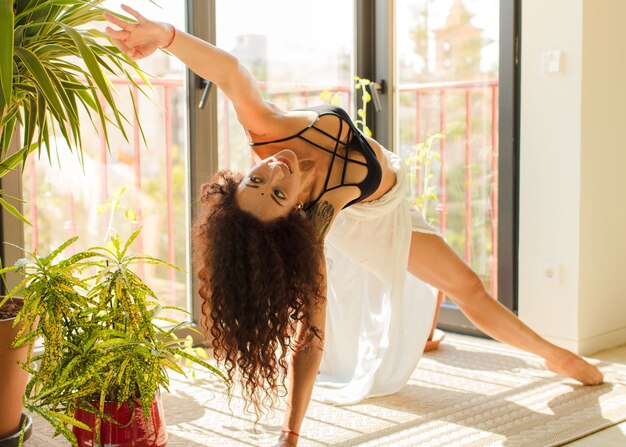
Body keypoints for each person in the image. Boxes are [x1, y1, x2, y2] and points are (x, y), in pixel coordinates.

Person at [104, 6, 604, 447]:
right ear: (290, 217)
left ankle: (434, 331)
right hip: (374, 220)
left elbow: (230, 71)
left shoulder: (265, 130)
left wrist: (166, 34)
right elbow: (310, 336)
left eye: (257, 178)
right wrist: (291, 432)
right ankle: (554, 355)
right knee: (467, 286)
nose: (276, 169)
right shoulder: (317, 218)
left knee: (427, 292)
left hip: (396, 190)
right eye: (278, 192)